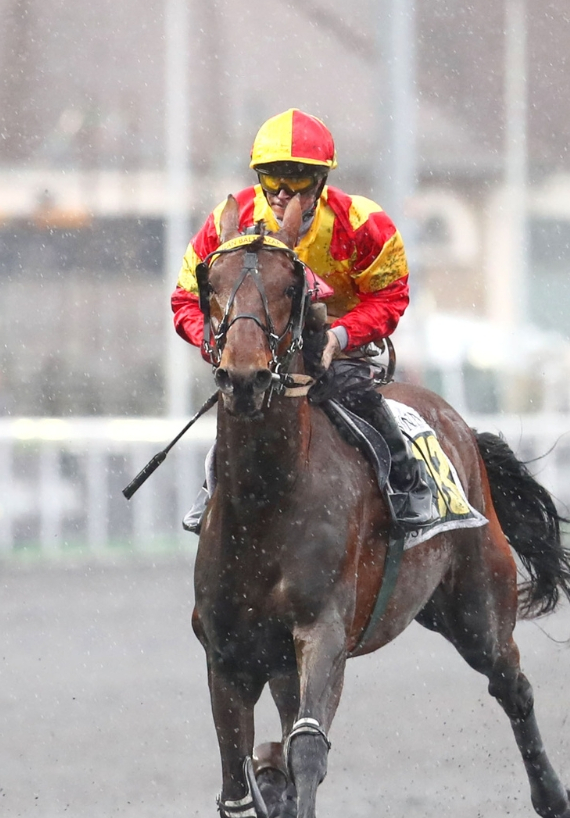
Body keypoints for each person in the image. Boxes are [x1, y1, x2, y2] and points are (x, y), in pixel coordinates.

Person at [169, 108, 433, 533]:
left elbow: (390, 296)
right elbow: (185, 299)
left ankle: (406, 481)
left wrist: (341, 337)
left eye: (298, 177)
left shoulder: (363, 224)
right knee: (237, 403)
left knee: (356, 392)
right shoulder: (225, 225)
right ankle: (213, 488)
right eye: (272, 177)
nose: (282, 192)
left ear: (322, 179)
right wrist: (217, 345)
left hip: (336, 347)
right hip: (262, 348)